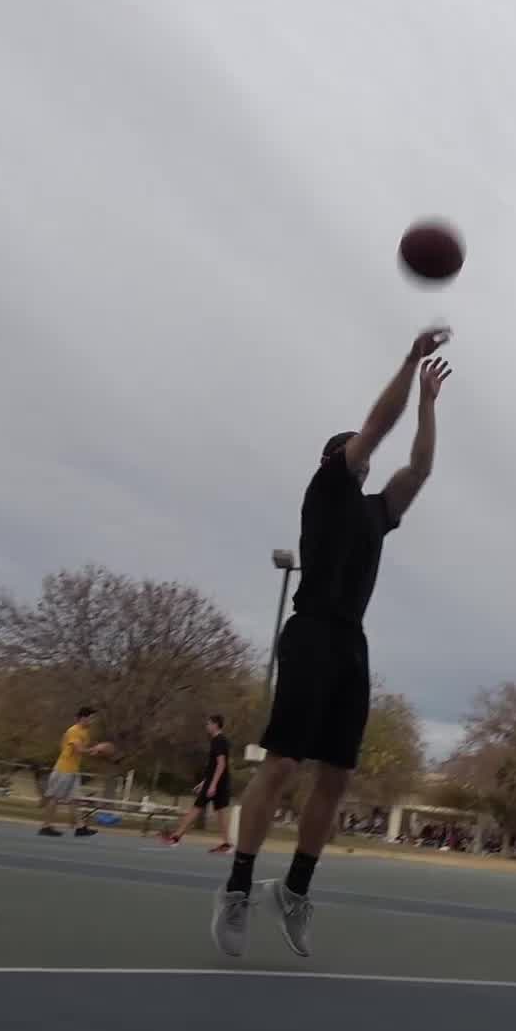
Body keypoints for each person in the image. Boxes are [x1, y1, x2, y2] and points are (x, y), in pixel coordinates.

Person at [211, 327, 453, 959]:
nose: (362, 454)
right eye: (352, 449)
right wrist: (410, 361)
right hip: (311, 632)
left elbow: (420, 468)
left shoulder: (376, 512)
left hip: (350, 643)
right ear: (335, 458)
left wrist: (428, 403)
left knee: (338, 775)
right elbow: (376, 426)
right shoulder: (324, 492)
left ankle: (294, 889)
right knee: (283, 763)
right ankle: (236, 887)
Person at [161, 715, 234, 853]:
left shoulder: (219, 740)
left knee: (196, 808)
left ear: (216, 725)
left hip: (217, 783)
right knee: (220, 813)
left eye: (209, 724)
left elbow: (221, 764)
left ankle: (176, 837)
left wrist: (213, 784)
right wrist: (204, 782)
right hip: (217, 782)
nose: (207, 726)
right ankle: (227, 844)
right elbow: (214, 766)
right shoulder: (218, 740)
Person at [39, 707, 100, 838]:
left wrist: (93, 750)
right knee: (54, 798)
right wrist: (94, 750)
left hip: (73, 771)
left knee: (74, 799)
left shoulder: (85, 732)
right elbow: (78, 749)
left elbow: (75, 748)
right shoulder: (74, 730)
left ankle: (80, 828)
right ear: (83, 718)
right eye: (91, 718)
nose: (93, 721)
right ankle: (45, 826)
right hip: (63, 770)